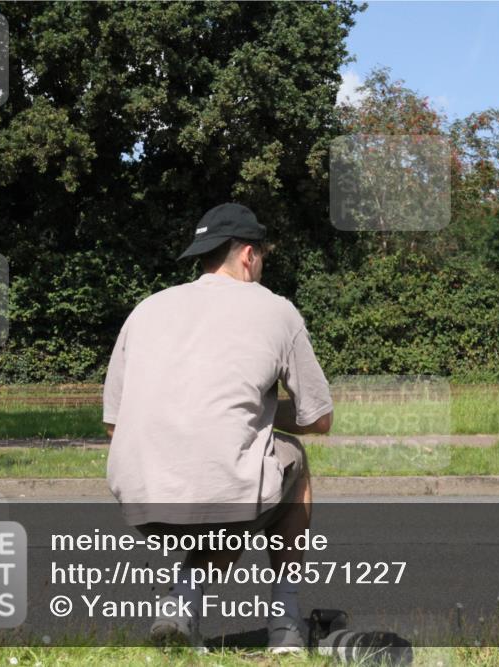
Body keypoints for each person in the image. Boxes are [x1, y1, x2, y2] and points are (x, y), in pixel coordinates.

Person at [102, 203, 334, 653]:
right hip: (221, 498)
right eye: (263, 255)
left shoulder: (147, 309)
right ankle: (285, 628)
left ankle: (178, 608)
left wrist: (247, 419)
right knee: (284, 467)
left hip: (140, 499)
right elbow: (317, 419)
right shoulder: (276, 311)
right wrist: (265, 418)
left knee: (229, 482)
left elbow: (114, 424)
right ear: (248, 255)